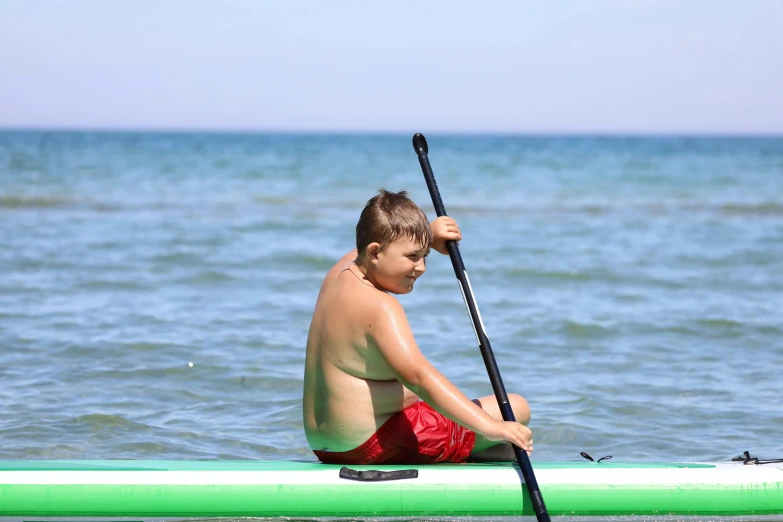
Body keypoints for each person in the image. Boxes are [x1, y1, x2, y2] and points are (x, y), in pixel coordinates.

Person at [302, 189, 533, 464]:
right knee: (515, 408)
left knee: (431, 403)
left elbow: (371, 245)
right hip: (369, 446)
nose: (421, 267)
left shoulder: (339, 272)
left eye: (425, 255)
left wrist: (427, 236)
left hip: (323, 442)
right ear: (375, 252)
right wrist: (492, 428)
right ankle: (486, 450)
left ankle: (482, 452)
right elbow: (419, 377)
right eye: (412, 256)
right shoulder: (380, 306)